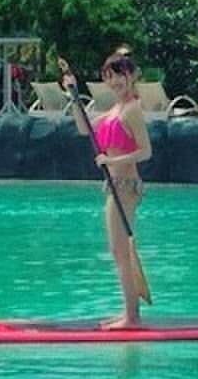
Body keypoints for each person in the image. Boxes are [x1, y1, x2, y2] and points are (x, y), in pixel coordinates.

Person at [59, 46, 153, 329]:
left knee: (120, 250)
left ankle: (132, 317)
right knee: (117, 250)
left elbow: (145, 152)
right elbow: (84, 129)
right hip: (114, 185)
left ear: (131, 76)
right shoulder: (115, 108)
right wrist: (74, 97)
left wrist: (112, 159)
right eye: (109, 77)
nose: (114, 82)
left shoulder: (133, 109)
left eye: (119, 75)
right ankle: (129, 311)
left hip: (125, 184)